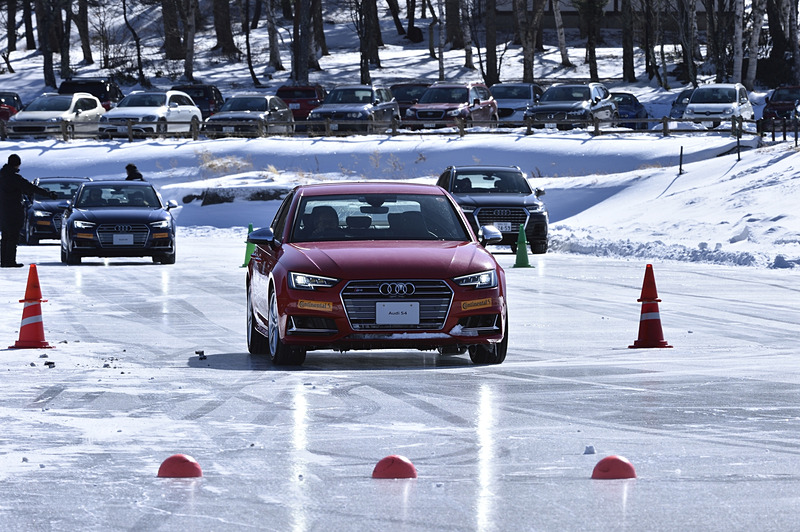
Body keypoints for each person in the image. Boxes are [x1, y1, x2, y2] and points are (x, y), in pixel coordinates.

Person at [0, 154, 56, 267]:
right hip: (13, 212)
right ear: (17, 164)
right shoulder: (15, 178)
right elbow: (31, 188)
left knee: (5, 236)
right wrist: (48, 194)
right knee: (12, 236)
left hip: (2, 212)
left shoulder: (1, 176)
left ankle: (4, 260)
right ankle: (9, 261)